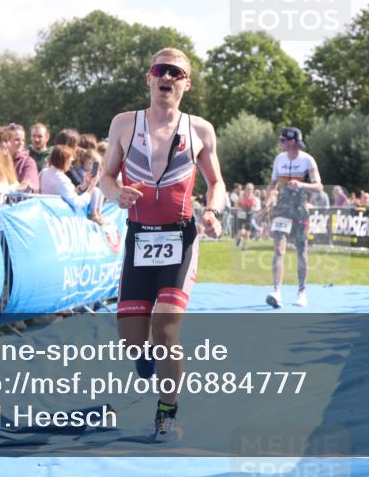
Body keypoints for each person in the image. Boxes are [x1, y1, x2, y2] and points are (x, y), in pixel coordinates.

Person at [100, 47, 225, 443]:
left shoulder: (200, 130)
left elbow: (217, 183)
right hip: (139, 239)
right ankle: (143, 356)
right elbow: (105, 176)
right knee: (133, 340)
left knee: (166, 330)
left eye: (176, 72)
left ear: (186, 83)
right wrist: (116, 192)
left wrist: (214, 213)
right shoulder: (124, 123)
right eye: (160, 70)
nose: (167, 77)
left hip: (180, 237)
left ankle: (166, 414)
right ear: (149, 79)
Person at [264, 126, 322, 309]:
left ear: (292, 142)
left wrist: (301, 184)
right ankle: (276, 292)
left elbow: (319, 186)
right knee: (279, 250)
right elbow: (273, 184)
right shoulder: (278, 159)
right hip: (282, 209)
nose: (279, 143)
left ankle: (302, 292)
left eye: (282, 140)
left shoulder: (307, 160)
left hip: (300, 210)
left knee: (301, 251)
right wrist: (268, 201)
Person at [39, 145, 97, 209]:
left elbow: (67, 193)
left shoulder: (44, 172)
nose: (71, 164)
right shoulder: (61, 179)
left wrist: (83, 186)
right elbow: (78, 203)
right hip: (56, 213)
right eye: (70, 161)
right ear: (65, 161)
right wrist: (92, 186)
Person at [6, 123, 39, 192]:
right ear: (7, 141)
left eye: (23, 140)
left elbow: (28, 187)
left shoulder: (28, 162)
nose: (21, 143)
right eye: (17, 140)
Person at [235, 182, 261, 249]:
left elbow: (257, 208)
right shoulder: (242, 195)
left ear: (253, 190)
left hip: (249, 214)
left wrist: (253, 209)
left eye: (251, 189)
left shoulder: (254, 198)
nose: (249, 190)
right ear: (246, 189)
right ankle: (239, 238)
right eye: (248, 189)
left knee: (247, 232)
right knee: (241, 231)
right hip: (242, 213)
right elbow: (236, 204)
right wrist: (239, 208)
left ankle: (244, 246)